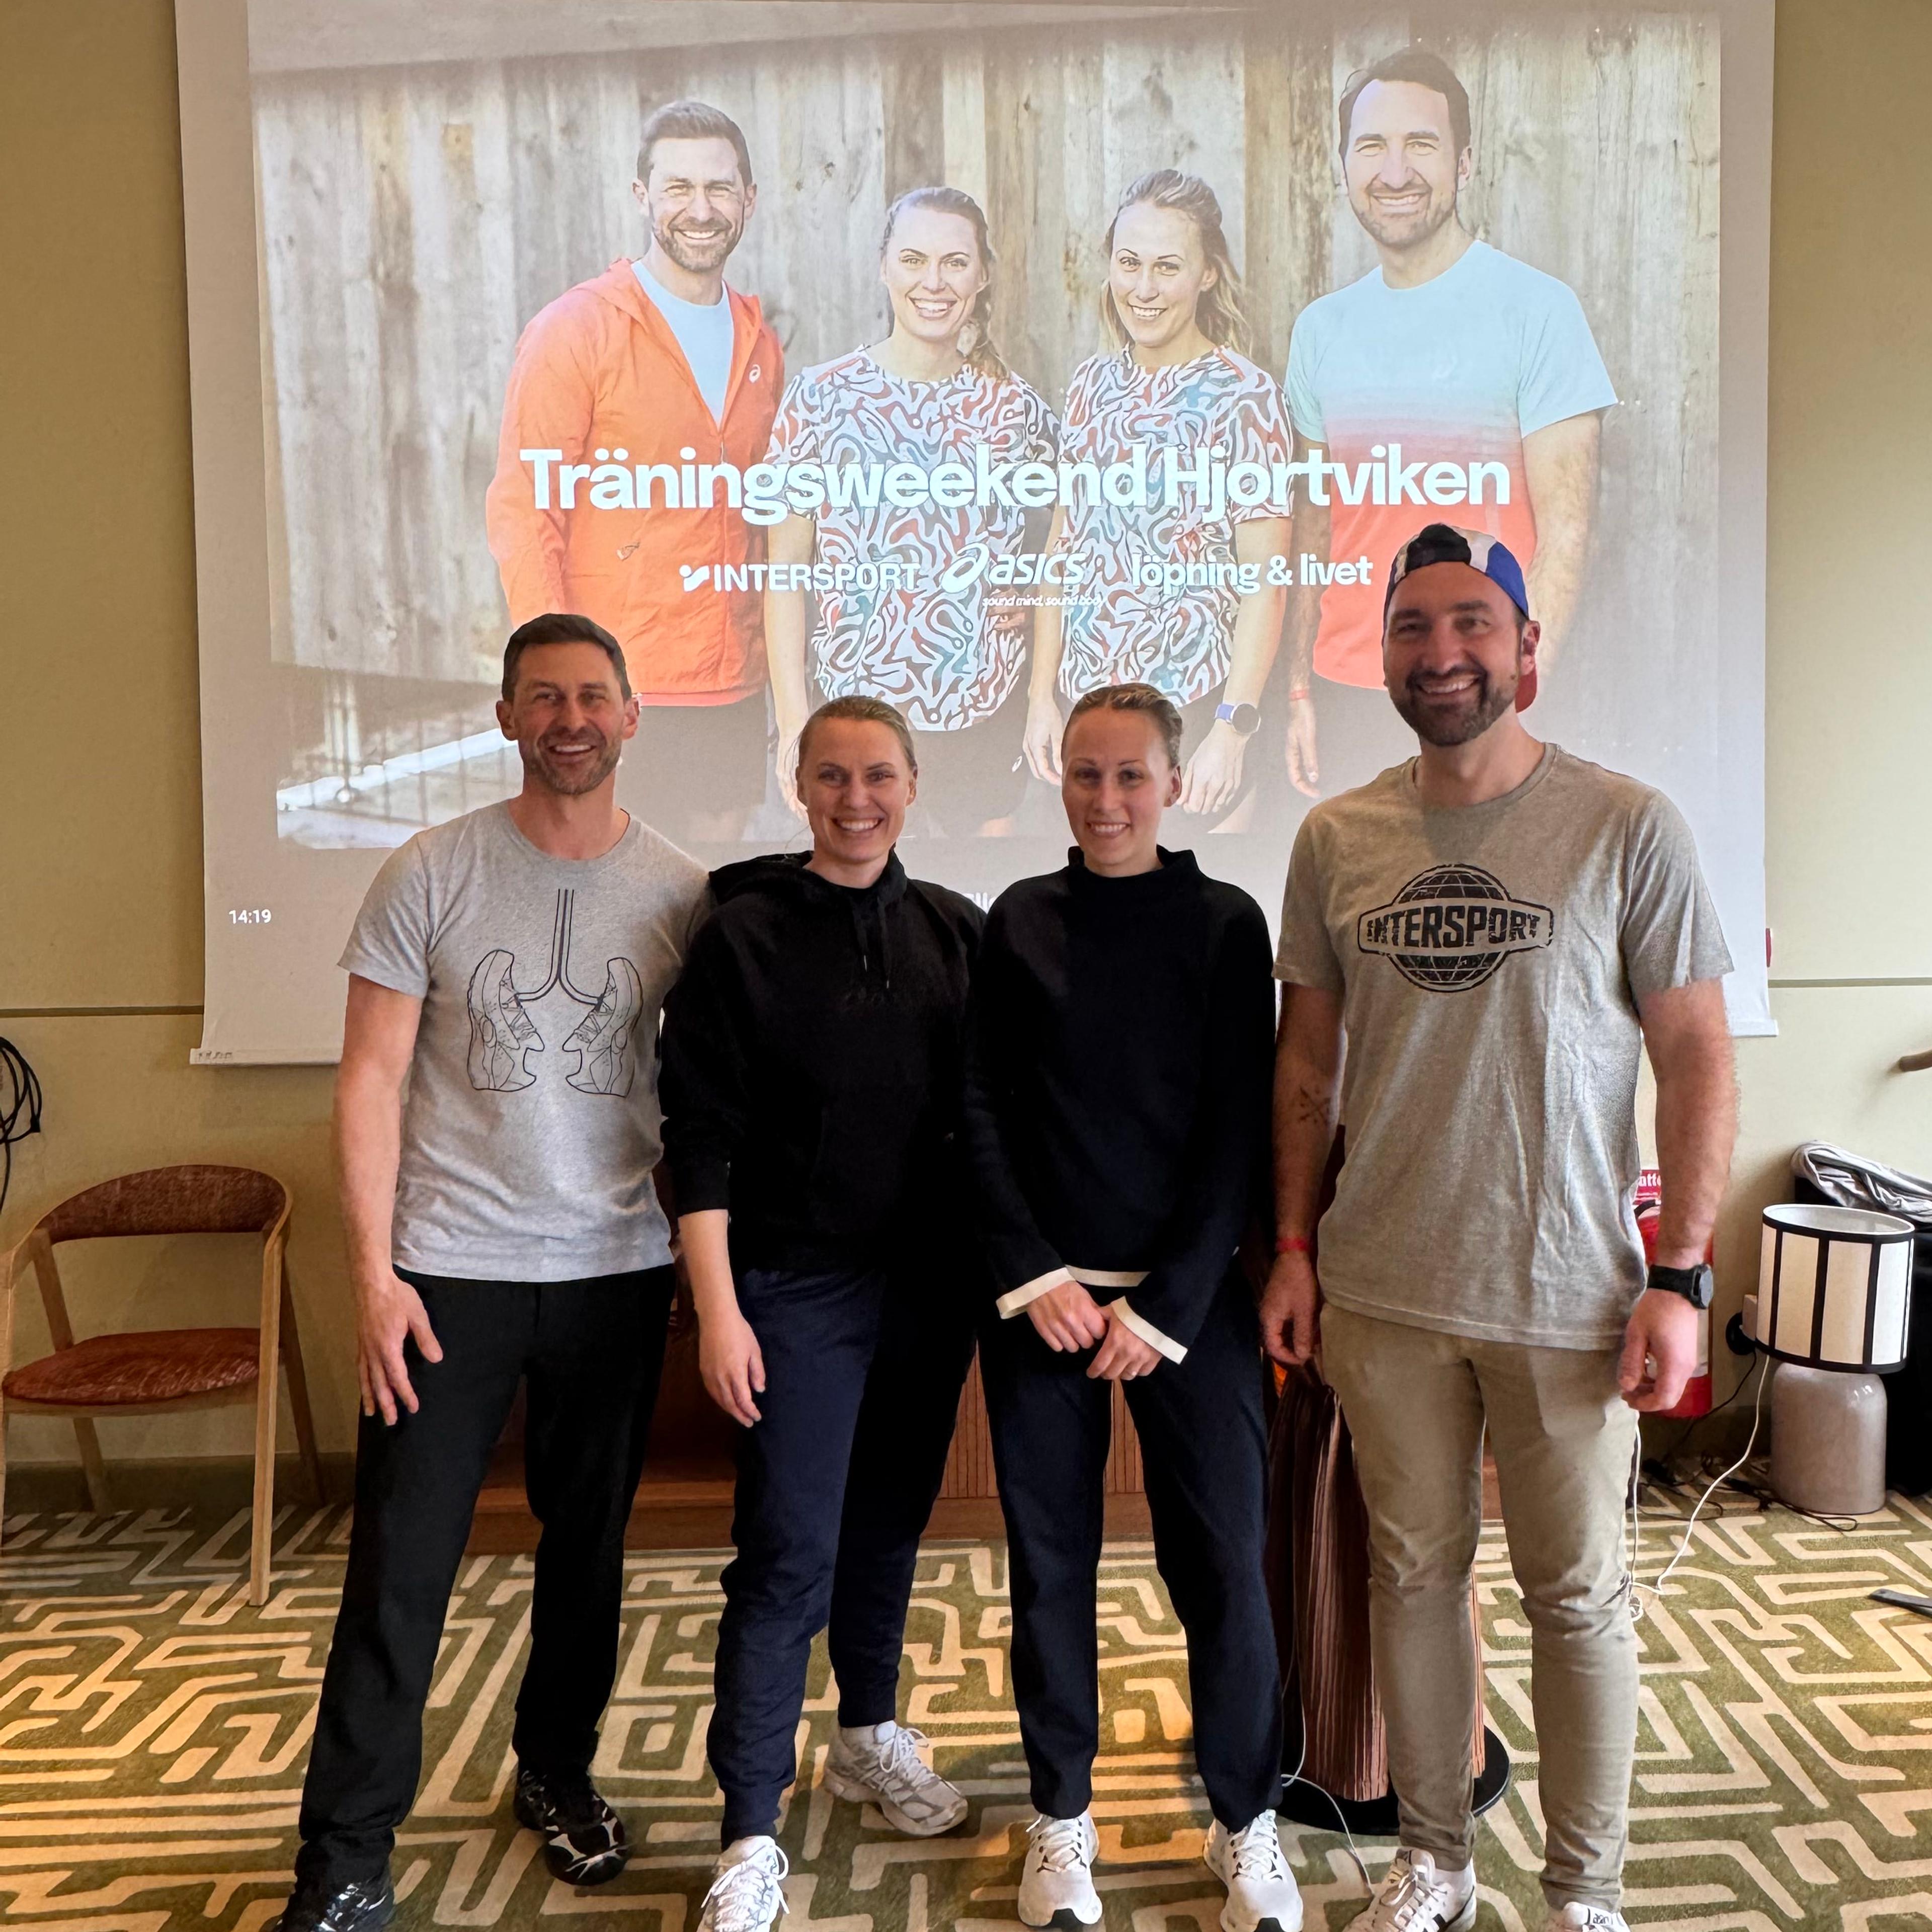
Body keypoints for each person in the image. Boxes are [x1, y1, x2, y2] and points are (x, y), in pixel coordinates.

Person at [1264, 524, 1736, 1932]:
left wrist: (1683, 1274)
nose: (1442, 652)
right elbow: (1305, 1068)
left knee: (1577, 1602)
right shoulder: (1335, 835)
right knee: (1414, 1579)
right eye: (1412, 627)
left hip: (1573, 1297)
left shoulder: (1627, 823)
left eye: (1472, 623)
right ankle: (1436, 1863)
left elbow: (1700, 1057)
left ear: (1527, 649)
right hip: (1383, 1290)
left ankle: (1585, 1897)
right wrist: (1292, 1249)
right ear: (1385, 656)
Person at [272, 613, 710, 1932]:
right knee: (402, 1563)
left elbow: (714, 1099)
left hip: (614, 1272)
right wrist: (374, 1277)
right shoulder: (430, 871)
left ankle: (559, 1772)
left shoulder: (687, 895)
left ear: (633, 715)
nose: (571, 717)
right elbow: (371, 1081)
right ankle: (344, 1855)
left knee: (589, 1553)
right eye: (543, 697)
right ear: (506, 716)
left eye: (594, 695)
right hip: (445, 1273)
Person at [965, 683, 1301, 1932]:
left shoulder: (1222, 924)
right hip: (1043, 1308)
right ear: (1062, 778)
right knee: (1049, 1570)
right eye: (1086, 774)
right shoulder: (1018, 919)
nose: (1107, 800)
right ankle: (1061, 1824)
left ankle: (1247, 1821)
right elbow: (984, 1107)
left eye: (1131, 778)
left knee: (1220, 1567)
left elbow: (1235, 1128)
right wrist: (1036, 1271)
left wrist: (1165, 1304)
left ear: (1173, 784)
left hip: (1191, 1312)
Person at [659, 696, 984, 1932]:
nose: (859, 799)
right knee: (788, 1552)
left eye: (882, 777)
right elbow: (701, 1137)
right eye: (834, 776)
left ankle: (866, 1732)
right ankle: (749, 1829)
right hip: (790, 1292)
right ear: (800, 785)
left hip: (926, 1293)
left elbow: (991, 1122)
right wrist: (720, 1311)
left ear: (913, 786)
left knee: (887, 1530)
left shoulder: (957, 933)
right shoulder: (740, 937)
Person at [1278, 48, 1617, 803]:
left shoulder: (1538, 311)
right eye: (1372, 146)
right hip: (1347, 689)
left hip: (1477, 691)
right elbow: (1316, 517)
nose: (1394, 171)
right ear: (1343, 166)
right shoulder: (1321, 330)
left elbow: (1567, 534)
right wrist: (1298, 691)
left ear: (1464, 164)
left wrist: (1519, 695)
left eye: (1420, 145)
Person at [486, 100, 783, 842]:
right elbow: (525, 511)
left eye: (720, 189)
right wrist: (552, 685)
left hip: (732, 686)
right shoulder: (577, 330)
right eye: (678, 188)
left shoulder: (760, 341)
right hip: (617, 689)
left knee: (709, 900)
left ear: (749, 200)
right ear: (642, 196)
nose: (701, 209)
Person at [764, 186, 1059, 836]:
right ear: (884, 266)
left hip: (983, 714)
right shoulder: (821, 400)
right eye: (915, 259)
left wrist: (1041, 604)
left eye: (956, 263)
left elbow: (1074, 541)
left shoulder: (1019, 411)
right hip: (857, 718)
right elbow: (785, 572)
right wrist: (793, 724)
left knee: (976, 912)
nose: (935, 282)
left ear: (982, 276)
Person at [1023, 172, 1293, 828]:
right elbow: (1063, 550)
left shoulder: (1246, 398)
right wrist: (1040, 697)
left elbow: (1266, 583)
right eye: (1129, 264)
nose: (1143, 290)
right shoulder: (1090, 384)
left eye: (1167, 268)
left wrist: (1232, 730)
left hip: (1193, 717)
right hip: (1087, 714)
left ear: (1206, 274)